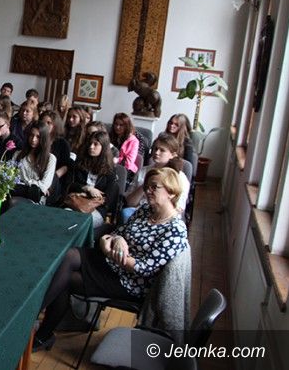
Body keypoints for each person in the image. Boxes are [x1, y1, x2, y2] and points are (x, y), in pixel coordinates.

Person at [33, 167, 188, 352]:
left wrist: (109, 250)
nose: (148, 191)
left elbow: (143, 269)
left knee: (65, 278)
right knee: (69, 255)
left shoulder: (175, 229)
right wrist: (114, 240)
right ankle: (36, 323)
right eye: (147, 186)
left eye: (154, 187)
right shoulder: (146, 210)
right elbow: (116, 233)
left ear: (171, 193)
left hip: (129, 283)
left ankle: (39, 329)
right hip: (112, 264)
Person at [122, 134, 190, 224]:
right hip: (138, 213)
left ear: (173, 155)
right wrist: (146, 184)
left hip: (163, 219)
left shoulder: (179, 177)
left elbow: (179, 208)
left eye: (162, 150)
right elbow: (130, 203)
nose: (156, 152)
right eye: (155, 148)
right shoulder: (143, 171)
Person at [63, 130, 119, 229]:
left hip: (97, 209)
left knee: (80, 223)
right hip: (76, 202)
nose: (91, 147)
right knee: (65, 216)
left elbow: (108, 198)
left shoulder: (110, 170)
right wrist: (87, 188)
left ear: (103, 147)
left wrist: (91, 196)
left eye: (95, 144)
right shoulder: (79, 163)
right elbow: (69, 184)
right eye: (90, 143)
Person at [11, 121, 56, 204]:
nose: (33, 139)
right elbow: (11, 178)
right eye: (31, 135)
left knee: (12, 202)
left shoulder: (50, 158)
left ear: (43, 139)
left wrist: (23, 183)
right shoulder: (18, 154)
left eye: (38, 137)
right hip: (17, 193)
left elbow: (44, 185)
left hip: (35, 199)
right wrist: (32, 186)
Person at [40, 110, 71, 193]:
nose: (45, 125)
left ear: (55, 126)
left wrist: (51, 178)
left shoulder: (62, 143)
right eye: (42, 122)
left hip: (55, 178)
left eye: (48, 123)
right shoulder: (37, 140)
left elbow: (65, 167)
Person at [110, 112, 140, 177]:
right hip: (109, 166)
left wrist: (115, 160)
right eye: (116, 124)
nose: (117, 127)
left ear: (126, 126)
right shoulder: (110, 136)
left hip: (125, 170)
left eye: (121, 125)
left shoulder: (133, 141)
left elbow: (128, 163)